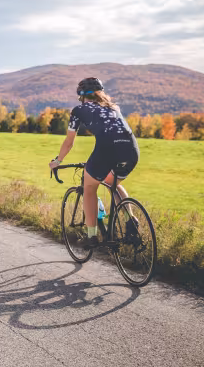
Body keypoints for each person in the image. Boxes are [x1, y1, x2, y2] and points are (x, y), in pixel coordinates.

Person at [49, 77, 139, 248]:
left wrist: (58, 161)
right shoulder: (114, 107)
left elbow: (69, 142)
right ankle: (130, 220)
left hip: (106, 150)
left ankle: (91, 237)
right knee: (112, 183)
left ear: (82, 96)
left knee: (89, 188)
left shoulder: (78, 110)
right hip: (131, 150)